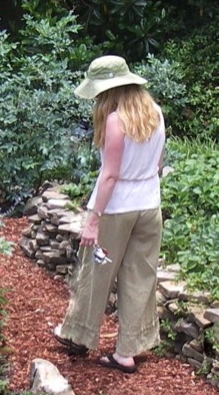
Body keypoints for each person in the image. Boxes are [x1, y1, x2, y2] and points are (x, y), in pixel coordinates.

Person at [53, 54, 166, 373]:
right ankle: (127, 350)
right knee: (140, 275)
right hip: (149, 206)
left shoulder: (116, 120)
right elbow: (157, 165)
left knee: (96, 270)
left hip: (117, 210)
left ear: (108, 90)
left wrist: (93, 219)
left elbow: (110, 175)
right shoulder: (155, 113)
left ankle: (79, 336)